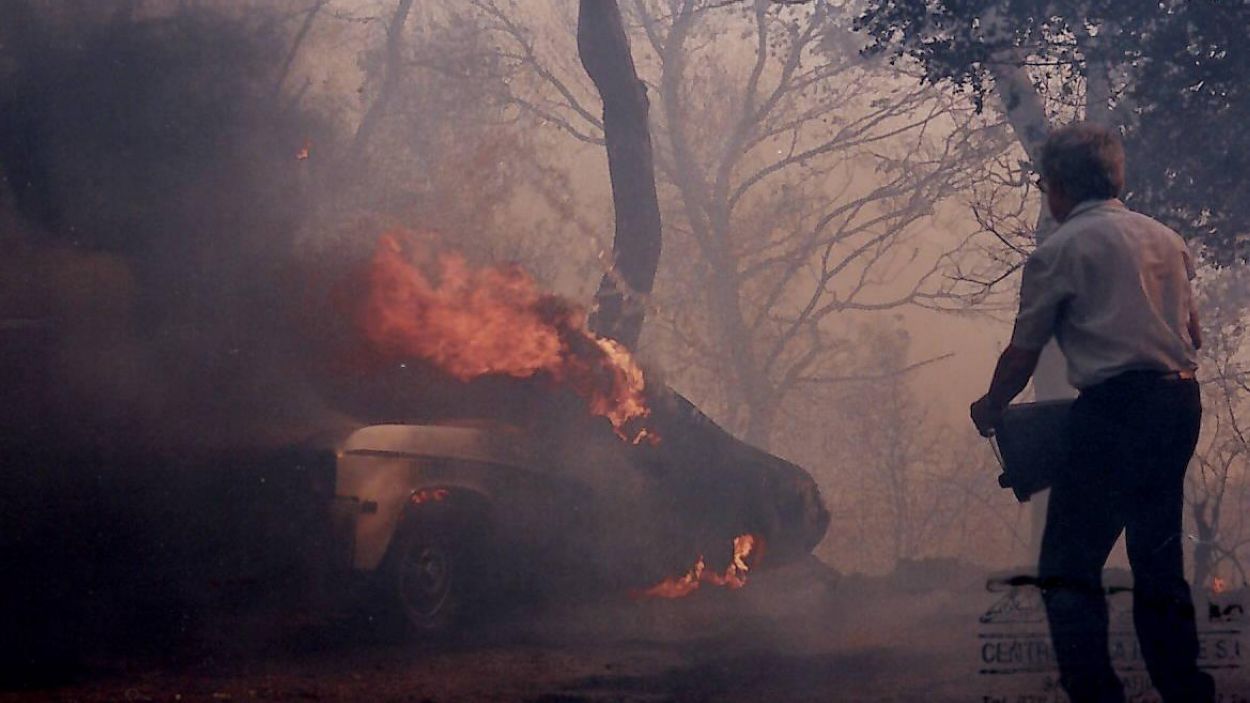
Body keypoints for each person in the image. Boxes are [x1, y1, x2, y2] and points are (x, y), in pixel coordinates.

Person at [970, 122, 1212, 703]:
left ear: (1056, 187)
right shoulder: (1165, 238)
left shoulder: (1058, 252)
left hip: (1115, 414)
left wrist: (991, 404)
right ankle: (1187, 691)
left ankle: (1097, 695)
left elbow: (1022, 354)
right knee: (1157, 559)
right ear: (1114, 177)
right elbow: (1194, 335)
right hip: (1179, 404)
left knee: (1067, 567)